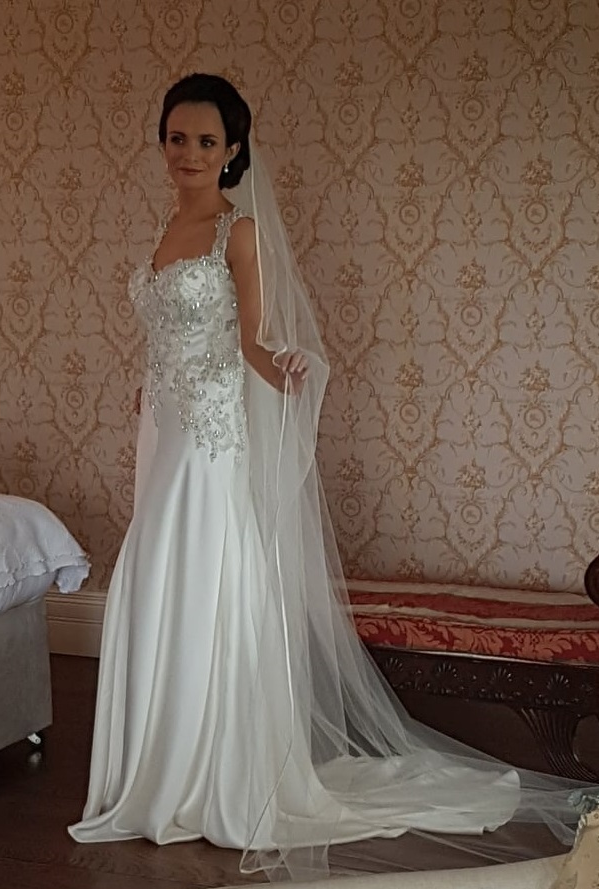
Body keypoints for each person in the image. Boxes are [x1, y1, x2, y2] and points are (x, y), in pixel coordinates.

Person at [69, 74, 596, 882]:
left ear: (232, 150)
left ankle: (210, 770)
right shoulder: (168, 224)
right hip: (166, 427)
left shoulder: (237, 231)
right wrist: (148, 391)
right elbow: (167, 336)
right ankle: (155, 762)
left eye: (206, 141)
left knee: (203, 567)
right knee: (157, 565)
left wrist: (288, 376)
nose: (189, 153)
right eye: (177, 138)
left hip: (211, 436)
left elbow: (250, 339)